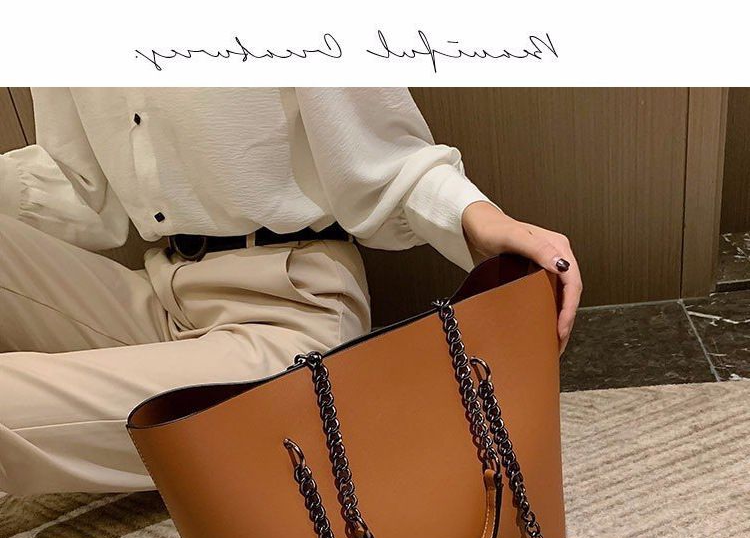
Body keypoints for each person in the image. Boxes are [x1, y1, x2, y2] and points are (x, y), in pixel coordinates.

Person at [0, 88, 582, 496]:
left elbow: (388, 162)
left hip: (289, 315)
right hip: (160, 293)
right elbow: (81, 191)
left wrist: (484, 220)